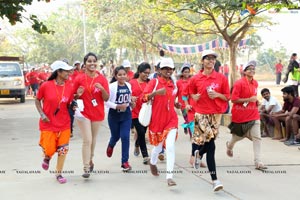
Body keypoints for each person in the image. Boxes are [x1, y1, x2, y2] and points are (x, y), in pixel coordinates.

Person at [186, 50, 229, 192]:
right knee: (211, 145)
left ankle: (199, 154)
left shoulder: (221, 78)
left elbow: (227, 97)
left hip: (216, 115)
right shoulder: (195, 78)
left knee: (210, 142)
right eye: (208, 59)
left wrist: (217, 95)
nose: (211, 61)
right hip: (201, 114)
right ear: (202, 61)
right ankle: (215, 180)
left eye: (213, 59)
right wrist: (194, 98)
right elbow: (189, 93)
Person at [35, 60, 74, 184]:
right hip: (48, 123)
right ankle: (47, 157)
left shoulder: (70, 86)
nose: (69, 72)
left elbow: (68, 103)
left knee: (63, 150)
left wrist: (73, 104)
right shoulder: (46, 85)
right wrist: (42, 114)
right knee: (50, 148)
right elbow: (37, 100)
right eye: (66, 71)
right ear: (59, 72)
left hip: (64, 123)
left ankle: (59, 173)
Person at [143, 57, 180, 186]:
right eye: (165, 68)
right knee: (157, 148)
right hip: (157, 120)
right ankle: (152, 162)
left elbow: (173, 101)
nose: (168, 71)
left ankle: (169, 176)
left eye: (170, 69)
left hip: (171, 120)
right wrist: (155, 93)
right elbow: (144, 97)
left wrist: (177, 105)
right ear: (159, 70)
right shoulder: (154, 82)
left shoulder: (174, 84)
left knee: (169, 146)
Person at [73, 52, 109, 178]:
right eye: (89, 61)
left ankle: (90, 159)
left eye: (94, 61)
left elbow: (106, 98)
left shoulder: (102, 79)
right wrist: (77, 94)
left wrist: (102, 89)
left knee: (93, 140)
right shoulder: (79, 78)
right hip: (83, 113)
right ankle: (86, 167)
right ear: (85, 63)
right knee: (87, 139)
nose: (92, 63)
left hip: (97, 113)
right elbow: (72, 97)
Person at [227, 60, 268, 171]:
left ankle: (258, 162)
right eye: (249, 69)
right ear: (244, 72)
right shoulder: (239, 83)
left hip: (253, 114)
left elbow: (253, 96)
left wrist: (255, 102)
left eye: (253, 69)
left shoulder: (255, 83)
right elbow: (234, 99)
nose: (252, 71)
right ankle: (230, 146)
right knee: (238, 136)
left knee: (257, 137)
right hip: (240, 114)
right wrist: (248, 100)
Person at [105, 66, 134, 171]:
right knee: (116, 136)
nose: (122, 76)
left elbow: (129, 99)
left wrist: (131, 103)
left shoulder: (129, 85)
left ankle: (125, 162)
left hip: (126, 114)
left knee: (125, 137)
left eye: (124, 74)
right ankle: (111, 144)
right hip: (114, 115)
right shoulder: (111, 87)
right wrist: (116, 106)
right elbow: (106, 102)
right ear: (115, 76)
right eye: (119, 75)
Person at [129, 62, 151, 164]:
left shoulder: (150, 83)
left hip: (146, 112)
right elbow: (126, 94)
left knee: (141, 133)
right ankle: (145, 156)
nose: (146, 75)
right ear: (139, 72)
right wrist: (130, 98)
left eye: (148, 73)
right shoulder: (132, 82)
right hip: (135, 112)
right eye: (144, 73)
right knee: (141, 132)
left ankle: (137, 144)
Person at [176, 63, 192, 137]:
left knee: (190, 119)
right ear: (182, 73)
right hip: (182, 104)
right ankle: (189, 132)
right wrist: (174, 102)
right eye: (185, 72)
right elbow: (175, 93)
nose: (187, 73)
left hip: (191, 103)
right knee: (188, 119)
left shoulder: (191, 81)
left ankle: (187, 128)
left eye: (188, 72)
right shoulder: (178, 82)